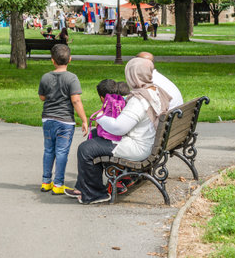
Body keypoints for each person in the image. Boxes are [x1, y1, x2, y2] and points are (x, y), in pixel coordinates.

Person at [64, 57, 171, 204]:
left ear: (132, 75)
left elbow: (119, 128)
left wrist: (100, 117)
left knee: (85, 149)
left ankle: (95, 194)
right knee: (94, 135)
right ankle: (83, 187)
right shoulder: (155, 91)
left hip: (138, 147)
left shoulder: (139, 100)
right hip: (149, 141)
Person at [38, 44, 88, 195]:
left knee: (48, 150)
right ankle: (58, 183)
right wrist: (84, 120)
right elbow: (76, 101)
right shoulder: (72, 78)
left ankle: (46, 181)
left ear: (52, 60)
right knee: (61, 152)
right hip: (65, 121)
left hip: (47, 119)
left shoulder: (45, 77)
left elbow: (42, 97)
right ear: (70, 59)